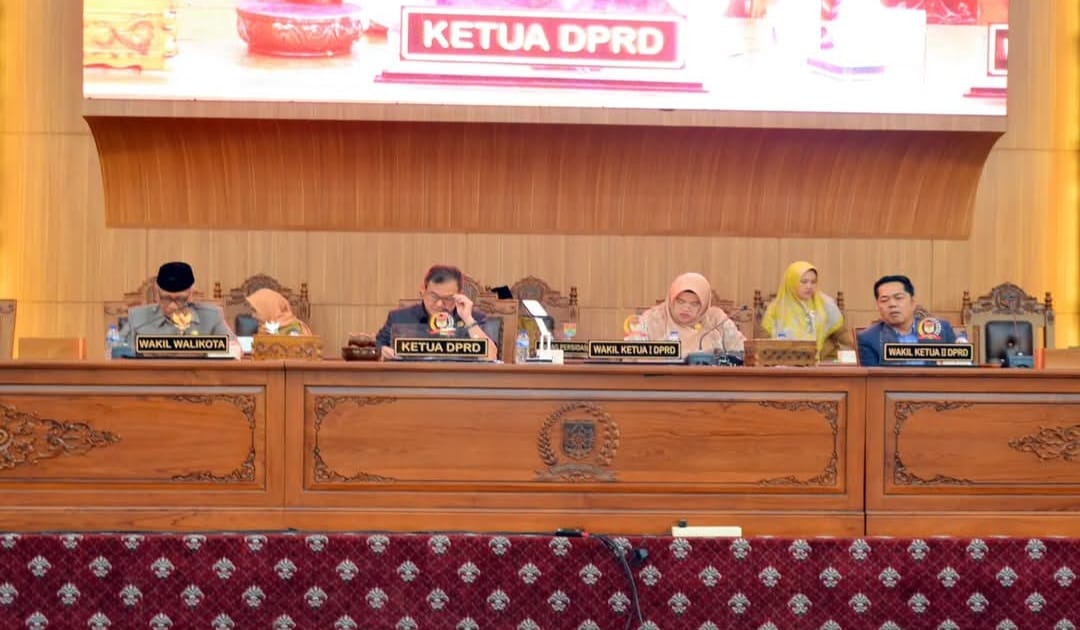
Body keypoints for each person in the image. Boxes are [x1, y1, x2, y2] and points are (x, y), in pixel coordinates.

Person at [375, 265, 498, 361]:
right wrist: (382, 351)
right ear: (423, 290)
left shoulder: (475, 319)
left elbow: (491, 356)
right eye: (434, 296)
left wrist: (468, 320)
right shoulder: (399, 318)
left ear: (460, 295)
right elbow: (376, 348)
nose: (439, 304)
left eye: (448, 298)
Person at [120, 261, 236, 348]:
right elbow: (116, 351)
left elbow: (234, 350)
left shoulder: (212, 316)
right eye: (166, 298)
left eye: (180, 299)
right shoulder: (137, 318)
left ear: (191, 294)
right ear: (157, 295)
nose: (173, 306)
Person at [857, 274, 957, 367]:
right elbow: (872, 378)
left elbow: (958, 370)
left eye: (898, 298)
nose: (892, 304)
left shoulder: (942, 329)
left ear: (913, 302)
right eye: (884, 300)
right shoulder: (868, 338)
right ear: (878, 306)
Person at [639, 272, 745, 359]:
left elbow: (742, 350)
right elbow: (633, 354)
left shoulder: (717, 320)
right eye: (681, 302)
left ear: (704, 305)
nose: (686, 308)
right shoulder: (652, 319)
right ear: (671, 300)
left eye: (694, 304)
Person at [761, 261, 849, 361]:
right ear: (791, 282)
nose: (809, 286)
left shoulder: (825, 304)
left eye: (813, 282)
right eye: (804, 282)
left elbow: (843, 337)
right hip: (784, 364)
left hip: (821, 363)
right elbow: (763, 345)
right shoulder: (776, 308)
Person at [245, 288, 312, 336]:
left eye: (255, 311)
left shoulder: (294, 329)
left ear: (269, 309)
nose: (253, 315)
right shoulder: (263, 328)